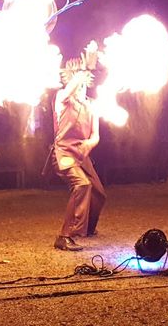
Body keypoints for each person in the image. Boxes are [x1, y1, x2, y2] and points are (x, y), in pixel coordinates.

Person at [49, 57, 106, 251]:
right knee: (82, 185)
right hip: (64, 153)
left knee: (98, 194)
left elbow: (95, 135)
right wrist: (84, 69)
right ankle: (65, 235)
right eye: (73, 75)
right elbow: (70, 90)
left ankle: (87, 229)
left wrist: (88, 144)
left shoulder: (92, 105)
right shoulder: (62, 98)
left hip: (82, 156)